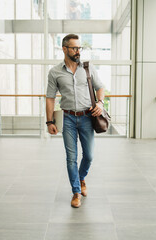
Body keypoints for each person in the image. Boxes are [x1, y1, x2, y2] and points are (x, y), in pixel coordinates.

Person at [46, 34, 105, 208]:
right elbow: (50, 98)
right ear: (64, 49)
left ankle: (81, 178)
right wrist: (49, 122)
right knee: (71, 158)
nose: (78, 51)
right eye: (74, 48)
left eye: (79, 48)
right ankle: (76, 191)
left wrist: (100, 103)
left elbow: (100, 87)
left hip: (87, 117)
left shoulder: (88, 68)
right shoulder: (55, 72)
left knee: (89, 155)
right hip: (68, 119)